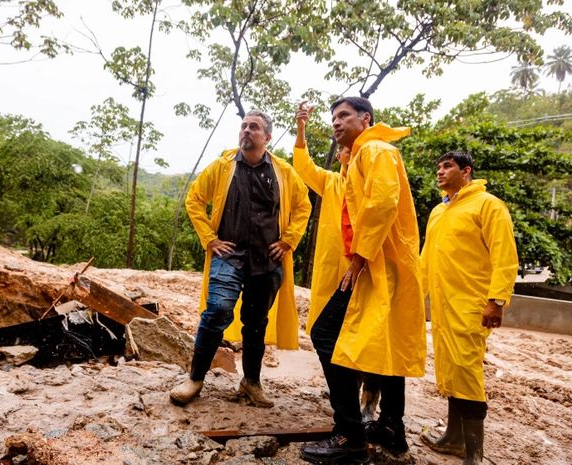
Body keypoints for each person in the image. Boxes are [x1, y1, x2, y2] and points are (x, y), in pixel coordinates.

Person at [296, 97, 426, 465]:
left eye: (344, 116)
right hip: (377, 266)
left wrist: (359, 258)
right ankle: (390, 427)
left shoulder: (375, 151)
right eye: (333, 117)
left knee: (324, 335)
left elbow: (382, 204)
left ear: (365, 118)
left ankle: (350, 434)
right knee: (381, 345)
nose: (336, 123)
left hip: (373, 266)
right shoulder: (359, 161)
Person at [169, 109, 311, 408]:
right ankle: (194, 378)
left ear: (267, 137)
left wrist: (288, 240)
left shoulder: (283, 171)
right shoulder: (222, 166)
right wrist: (210, 239)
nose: (247, 130)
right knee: (217, 311)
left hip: (267, 259)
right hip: (228, 255)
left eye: (254, 127)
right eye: (244, 126)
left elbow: (302, 205)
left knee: (256, 323)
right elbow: (194, 199)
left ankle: (251, 381)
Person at [420, 152, 518, 465]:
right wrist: (415, 295)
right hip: (443, 305)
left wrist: (497, 300)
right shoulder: (438, 211)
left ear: (467, 171)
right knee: (450, 370)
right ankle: (452, 437)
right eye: (438, 167)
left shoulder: (488, 205)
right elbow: (427, 259)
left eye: (447, 166)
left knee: (467, 370)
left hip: (471, 304)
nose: (440, 171)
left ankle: (474, 454)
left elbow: (505, 255)